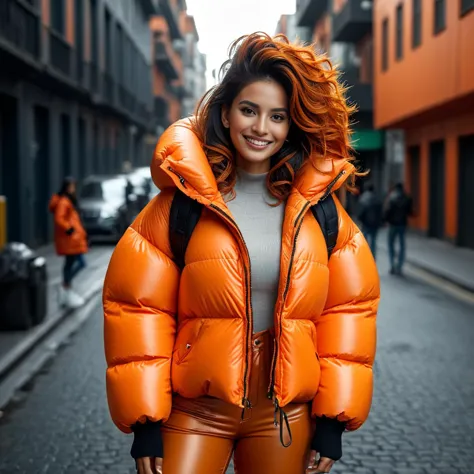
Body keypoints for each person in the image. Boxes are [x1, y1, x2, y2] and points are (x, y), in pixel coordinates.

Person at [103, 33, 380, 474]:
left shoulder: (319, 211)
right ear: (226, 113)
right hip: (194, 410)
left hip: (283, 413)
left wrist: (332, 420)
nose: (260, 128)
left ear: (292, 125)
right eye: (249, 110)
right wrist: (145, 422)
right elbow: (138, 308)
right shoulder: (183, 202)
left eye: (277, 116)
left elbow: (348, 310)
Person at [49, 177, 87, 309]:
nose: (73, 189)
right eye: (71, 186)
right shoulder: (64, 201)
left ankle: (66, 290)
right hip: (70, 240)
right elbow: (59, 218)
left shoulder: (67, 200)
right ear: (66, 187)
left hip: (71, 239)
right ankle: (65, 285)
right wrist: (69, 229)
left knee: (69, 264)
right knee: (81, 263)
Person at [384, 182, 413, 275]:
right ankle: (399, 266)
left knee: (391, 244)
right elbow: (409, 212)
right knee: (402, 245)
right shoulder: (407, 198)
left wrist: (385, 220)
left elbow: (387, 210)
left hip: (392, 224)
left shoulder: (391, 197)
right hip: (402, 224)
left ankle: (392, 265)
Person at [357, 184, 383, 259]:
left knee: (365, 240)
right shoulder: (377, 198)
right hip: (375, 224)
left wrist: (360, 219)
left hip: (366, 223)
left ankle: (366, 256)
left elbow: (361, 211)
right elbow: (380, 211)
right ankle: (373, 257)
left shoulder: (363, 198)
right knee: (374, 241)